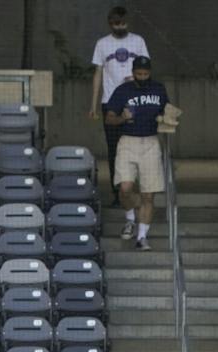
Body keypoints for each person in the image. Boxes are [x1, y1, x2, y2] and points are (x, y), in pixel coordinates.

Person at [105, 55, 169, 251]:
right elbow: (109, 119)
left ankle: (142, 237)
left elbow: (168, 111)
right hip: (127, 140)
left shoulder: (158, 89)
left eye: (146, 73)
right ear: (132, 73)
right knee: (125, 188)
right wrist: (122, 118)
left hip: (150, 140)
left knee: (149, 195)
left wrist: (166, 118)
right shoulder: (123, 90)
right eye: (139, 73)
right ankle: (131, 217)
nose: (142, 77)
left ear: (150, 72)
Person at [88, 6, 149, 206]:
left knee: (138, 147)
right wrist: (94, 104)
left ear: (127, 22)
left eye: (122, 23)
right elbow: (98, 73)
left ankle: (138, 190)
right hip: (110, 103)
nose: (120, 27)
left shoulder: (138, 41)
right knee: (114, 150)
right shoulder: (102, 44)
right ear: (109, 23)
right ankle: (118, 195)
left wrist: (136, 80)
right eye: (116, 23)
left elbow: (146, 70)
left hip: (135, 101)